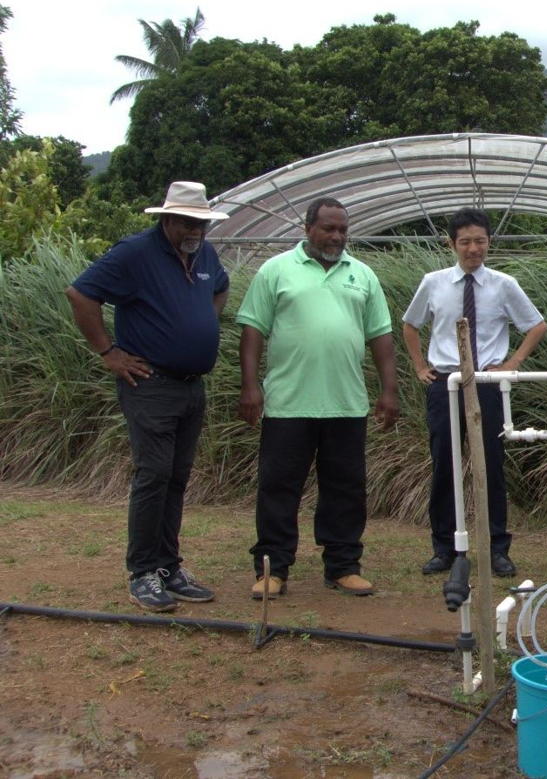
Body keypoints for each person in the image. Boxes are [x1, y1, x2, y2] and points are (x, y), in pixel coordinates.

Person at [65, 181, 230, 612]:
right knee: (153, 474)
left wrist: (200, 324)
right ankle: (142, 573)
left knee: (176, 477)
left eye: (203, 223)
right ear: (167, 219)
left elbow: (220, 289)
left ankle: (168, 568)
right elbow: (80, 293)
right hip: (150, 383)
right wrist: (109, 352)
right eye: (189, 222)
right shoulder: (135, 253)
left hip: (192, 384)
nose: (197, 230)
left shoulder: (204, 254)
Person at [236, 197, 398, 600]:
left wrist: (389, 390)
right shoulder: (275, 270)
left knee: (346, 488)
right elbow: (253, 332)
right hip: (288, 402)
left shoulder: (362, 275)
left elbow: (380, 336)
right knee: (279, 487)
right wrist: (250, 385)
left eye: (343, 229)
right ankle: (273, 568)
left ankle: (343, 567)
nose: (337, 236)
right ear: (307, 228)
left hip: (346, 403)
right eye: (329, 228)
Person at [402, 208, 547, 578]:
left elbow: (536, 325)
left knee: (492, 466)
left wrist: (512, 363)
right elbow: (410, 325)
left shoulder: (504, 284)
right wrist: (421, 367)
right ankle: (444, 548)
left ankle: (498, 548)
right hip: (445, 384)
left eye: (480, 241)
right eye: (465, 241)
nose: (473, 249)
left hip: (486, 384)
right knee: (445, 465)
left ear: (489, 243)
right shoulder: (433, 282)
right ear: (452, 244)